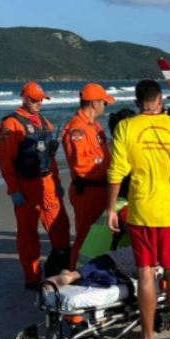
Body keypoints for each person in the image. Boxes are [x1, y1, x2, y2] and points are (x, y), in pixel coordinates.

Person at [106, 79, 170, 339]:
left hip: (142, 212)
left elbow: (116, 172)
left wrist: (111, 208)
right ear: (160, 100)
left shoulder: (126, 127)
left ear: (137, 103)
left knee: (146, 273)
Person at [0, 82, 71, 289]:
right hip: (25, 184)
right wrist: (13, 189)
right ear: (25, 99)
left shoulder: (45, 123)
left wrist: (56, 182)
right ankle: (32, 277)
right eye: (35, 99)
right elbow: (6, 161)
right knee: (28, 233)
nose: (39, 103)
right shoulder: (11, 125)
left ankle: (60, 269)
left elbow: (51, 158)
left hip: (46, 182)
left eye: (41, 99)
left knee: (60, 227)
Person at [62, 83, 114, 269]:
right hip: (88, 188)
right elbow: (81, 165)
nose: (105, 106)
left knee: (99, 234)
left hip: (100, 187)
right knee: (84, 236)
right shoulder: (77, 128)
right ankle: (74, 271)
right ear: (95, 103)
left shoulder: (95, 126)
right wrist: (107, 169)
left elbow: (102, 153)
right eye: (104, 103)